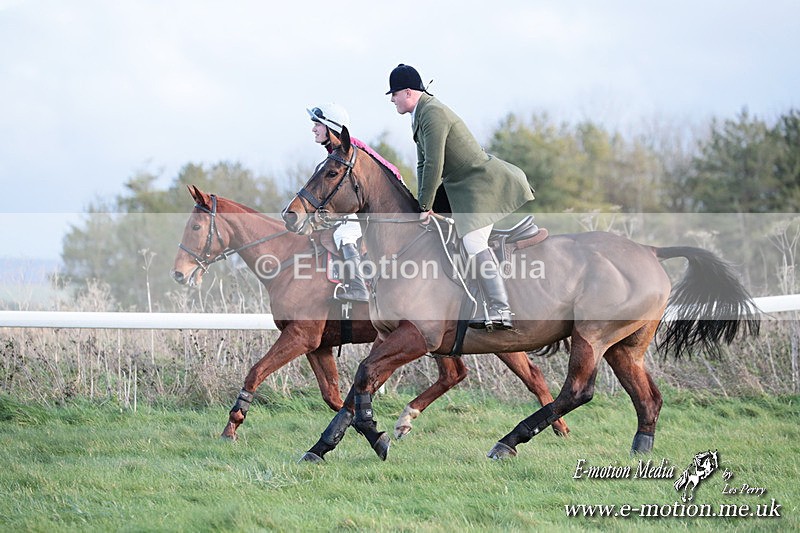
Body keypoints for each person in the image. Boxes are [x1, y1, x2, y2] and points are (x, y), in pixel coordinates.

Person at [386, 64, 535, 330]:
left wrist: (426, 205)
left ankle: (501, 309)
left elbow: (434, 163)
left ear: (408, 92)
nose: (392, 100)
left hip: (480, 184)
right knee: (434, 234)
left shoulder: (432, 113)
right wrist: (422, 205)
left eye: (394, 94)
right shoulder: (420, 114)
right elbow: (422, 165)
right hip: (459, 186)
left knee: (473, 241)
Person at [307, 102, 403, 302]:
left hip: (382, 205)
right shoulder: (336, 151)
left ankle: (358, 287)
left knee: (344, 233)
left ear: (330, 127)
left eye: (317, 124)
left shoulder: (350, 149)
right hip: (367, 203)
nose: (313, 129)